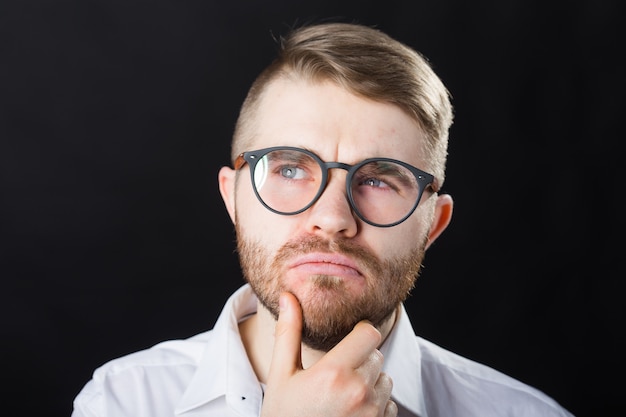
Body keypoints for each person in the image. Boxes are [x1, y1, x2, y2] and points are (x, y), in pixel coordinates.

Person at [71, 21, 574, 417]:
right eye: (290, 168)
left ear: (433, 225)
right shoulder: (122, 403)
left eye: (379, 179)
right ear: (233, 199)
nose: (332, 219)